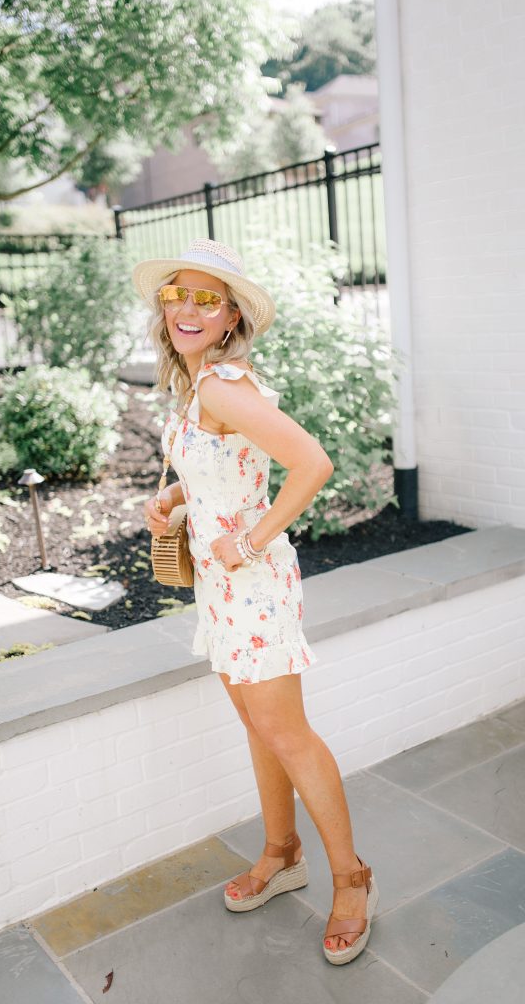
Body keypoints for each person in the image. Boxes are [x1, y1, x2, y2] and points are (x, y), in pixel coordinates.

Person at [133, 238, 378, 965]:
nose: (186, 308)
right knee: (258, 726)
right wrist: (177, 500)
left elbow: (311, 464)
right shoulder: (198, 380)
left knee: (288, 733)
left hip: (252, 586)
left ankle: (352, 879)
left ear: (230, 313)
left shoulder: (219, 386)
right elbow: (225, 467)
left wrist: (247, 543)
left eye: (206, 299)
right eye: (178, 293)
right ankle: (282, 852)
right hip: (221, 589)